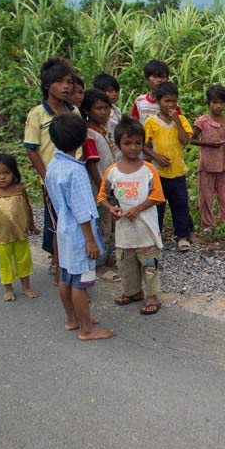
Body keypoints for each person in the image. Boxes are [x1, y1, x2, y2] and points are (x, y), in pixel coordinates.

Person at [44, 112, 113, 340]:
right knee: (81, 282)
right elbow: (83, 210)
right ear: (83, 139)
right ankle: (87, 328)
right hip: (78, 233)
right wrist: (91, 241)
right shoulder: (76, 171)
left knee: (65, 276)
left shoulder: (54, 165)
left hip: (64, 229)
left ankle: (72, 319)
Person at [97, 116, 166, 316]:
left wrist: (138, 208)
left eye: (138, 143)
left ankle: (151, 296)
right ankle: (132, 292)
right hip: (125, 231)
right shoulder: (112, 172)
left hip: (146, 229)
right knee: (126, 264)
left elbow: (157, 196)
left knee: (149, 264)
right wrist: (111, 209)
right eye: (127, 143)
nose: (133, 148)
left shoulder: (149, 170)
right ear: (118, 145)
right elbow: (103, 196)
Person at [23, 56, 79, 285]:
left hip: (74, 177)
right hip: (52, 180)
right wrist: (46, 178)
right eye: (60, 82)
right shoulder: (37, 114)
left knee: (75, 222)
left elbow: (79, 144)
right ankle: (59, 271)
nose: (66, 87)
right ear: (47, 85)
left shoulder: (73, 111)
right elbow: (32, 148)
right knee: (58, 225)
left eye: (68, 81)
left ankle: (73, 266)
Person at [143, 82, 195, 252]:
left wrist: (177, 121)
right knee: (157, 206)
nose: (171, 105)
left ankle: (182, 236)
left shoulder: (181, 120)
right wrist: (156, 157)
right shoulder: (151, 122)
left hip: (178, 171)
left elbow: (185, 140)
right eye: (167, 101)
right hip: (158, 173)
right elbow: (143, 145)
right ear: (158, 101)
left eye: (174, 101)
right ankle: (155, 236)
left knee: (180, 205)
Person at [0, 153, 40, 301]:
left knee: (23, 260)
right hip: (1, 236)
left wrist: (32, 225)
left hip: (21, 233)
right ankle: (8, 289)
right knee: (5, 262)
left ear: (13, 173)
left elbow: (27, 207)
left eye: (6, 173)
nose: (2, 177)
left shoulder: (20, 189)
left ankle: (26, 287)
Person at [81, 89, 121, 279]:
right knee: (103, 225)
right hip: (100, 187)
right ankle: (99, 265)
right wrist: (102, 188)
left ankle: (108, 257)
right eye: (99, 108)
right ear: (88, 111)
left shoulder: (104, 130)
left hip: (112, 184)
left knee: (112, 224)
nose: (104, 112)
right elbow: (91, 163)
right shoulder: (89, 134)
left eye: (107, 108)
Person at [191, 84, 225, 233]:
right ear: (208, 103)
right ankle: (207, 225)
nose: (218, 106)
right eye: (215, 102)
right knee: (206, 197)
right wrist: (208, 144)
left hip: (223, 165)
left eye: (221, 103)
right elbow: (192, 140)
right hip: (206, 165)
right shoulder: (202, 121)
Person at [131, 59, 182, 125]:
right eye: (155, 77)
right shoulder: (139, 101)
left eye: (163, 77)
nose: (159, 80)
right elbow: (133, 124)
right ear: (147, 79)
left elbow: (179, 124)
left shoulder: (173, 104)